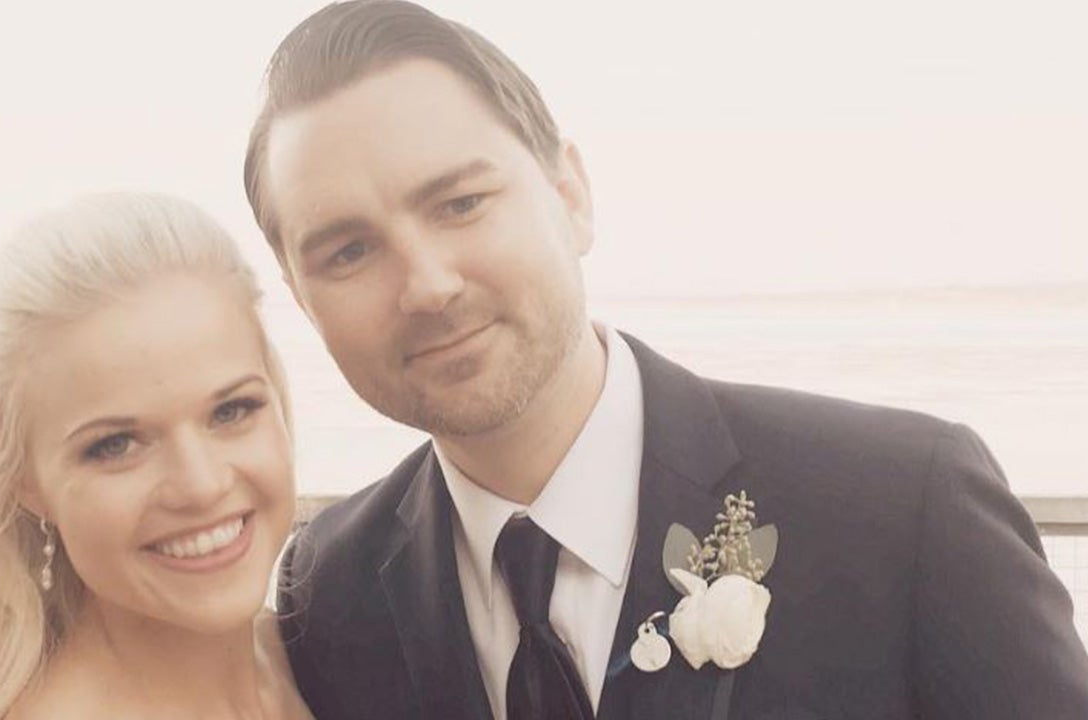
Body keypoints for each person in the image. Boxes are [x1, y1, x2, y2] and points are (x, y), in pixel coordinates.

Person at [243, 2, 1088, 718]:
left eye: (461, 203)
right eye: (348, 252)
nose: (427, 285)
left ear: (570, 194)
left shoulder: (905, 506)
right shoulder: (329, 586)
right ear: (301, 296)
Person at [0, 193, 313, 719]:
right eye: (116, 445)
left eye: (231, 410)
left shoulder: (317, 655)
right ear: (25, 481)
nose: (201, 485)